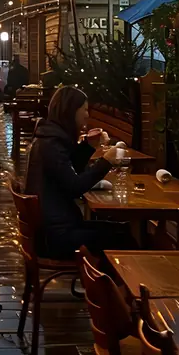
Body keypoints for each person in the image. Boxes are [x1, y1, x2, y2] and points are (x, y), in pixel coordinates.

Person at [24, 85, 135, 260]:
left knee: (122, 230)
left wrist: (88, 146)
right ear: (71, 111)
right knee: (122, 238)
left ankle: (105, 284)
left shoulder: (50, 138)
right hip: (57, 237)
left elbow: (67, 172)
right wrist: (106, 161)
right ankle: (105, 285)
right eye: (84, 109)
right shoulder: (51, 145)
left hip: (55, 228)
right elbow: (74, 187)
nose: (87, 115)